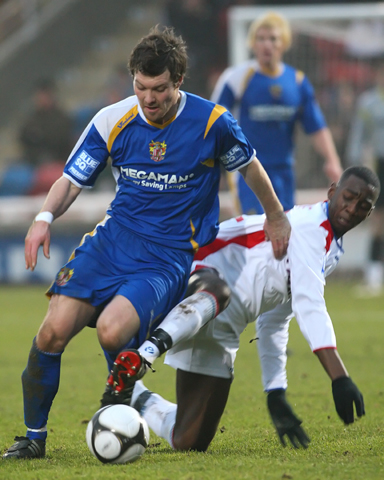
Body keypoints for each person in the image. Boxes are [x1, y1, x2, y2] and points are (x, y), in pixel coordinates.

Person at [2, 26, 290, 459]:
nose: (148, 98)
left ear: (178, 81)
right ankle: (33, 439)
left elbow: (250, 168)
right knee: (50, 333)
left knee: (111, 329)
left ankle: (121, 405)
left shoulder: (213, 123)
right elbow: (71, 181)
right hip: (112, 242)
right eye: (140, 86)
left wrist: (276, 216)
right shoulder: (112, 119)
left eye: (158, 89)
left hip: (167, 257)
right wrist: (44, 218)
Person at [127, 166, 379, 452]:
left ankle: (136, 396)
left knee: (189, 440)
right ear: (332, 192)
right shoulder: (311, 227)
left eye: (363, 206)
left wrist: (275, 390)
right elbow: (311, 306)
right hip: (196, 270)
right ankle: (141, 356)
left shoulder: (331, 249)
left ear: (369, 214)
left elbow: (275, 319)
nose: (352, 208)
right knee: (215, 293)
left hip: (225, 325)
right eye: (348, 197)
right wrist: (340, 377)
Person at [211, 11, 343, 215]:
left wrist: (332, 161)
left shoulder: (297, 82)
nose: (266, 44)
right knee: (255, 231)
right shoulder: (236, 79)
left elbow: (316, 127)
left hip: (284, 173)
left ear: (284, 43)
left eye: (272, 38)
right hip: (247, 171)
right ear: (252, 43)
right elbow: (213, 123)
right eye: (260, 38)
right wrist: (211, 165)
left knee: (283, 233)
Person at [346, 63, 384, 295]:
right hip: (380, 165)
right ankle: (373, 275)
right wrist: (356, 165)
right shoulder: (369, 103)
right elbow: (358, 136)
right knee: (378, 221)